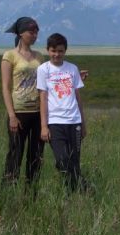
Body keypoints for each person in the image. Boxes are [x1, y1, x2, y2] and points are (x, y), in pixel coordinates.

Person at [37, 32, 88, 192]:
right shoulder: (43, 69)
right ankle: (85, 187)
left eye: (60, 51)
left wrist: (83, 123)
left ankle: (72, 194)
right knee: (62, 159)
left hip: (74, 121)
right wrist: (44, 126)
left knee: (74, 160)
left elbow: (77, 96)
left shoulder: (72, 68)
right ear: (48, 50)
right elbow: (43, 98)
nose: (56, 54)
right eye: (53, 51)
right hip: (55, 122)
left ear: (65, 51)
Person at [1, 16, 44, 186]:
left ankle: (31, 193)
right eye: (31, 32)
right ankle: (7, 192)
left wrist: (74, 76)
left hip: (38, 112)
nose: (34, 35)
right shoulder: (9, 56)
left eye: (36, 32)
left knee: (36, 155)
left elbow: (48, 81)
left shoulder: (39, 56)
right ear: (20, 33)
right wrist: (12, 115)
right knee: (15, 154)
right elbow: (5, 87)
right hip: (19, 112)